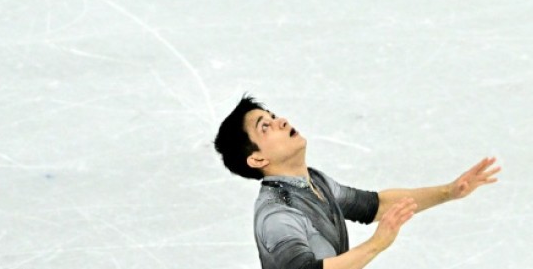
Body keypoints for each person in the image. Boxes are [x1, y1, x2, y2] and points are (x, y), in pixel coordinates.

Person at [213, 96, 501, 269]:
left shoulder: (313, 181)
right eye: (266, 126)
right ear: (257, 159)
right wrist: (375, 245)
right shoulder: (277, 213)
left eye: (273, 116)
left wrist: (448, 191)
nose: (281, 121)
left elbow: (374, 205)